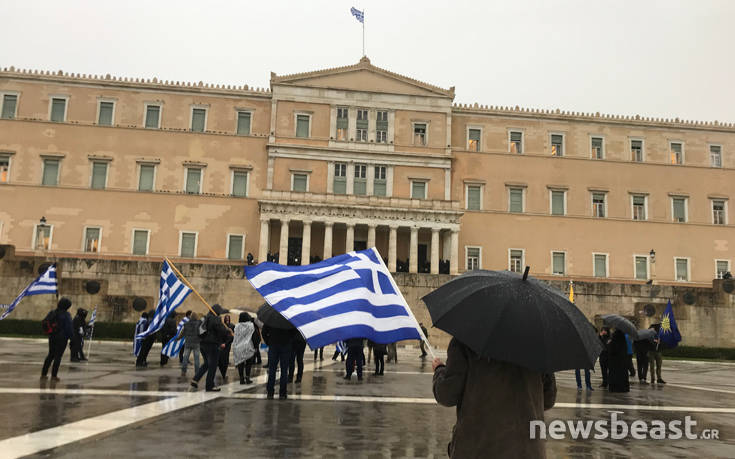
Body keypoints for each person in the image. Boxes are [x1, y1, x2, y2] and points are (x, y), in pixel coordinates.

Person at [432, 337, 557, 458]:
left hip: (478, 449)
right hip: (528, 450)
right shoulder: (538, 345)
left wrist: (439, 371)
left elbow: (447, 394)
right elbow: (548, 399)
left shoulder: (466, 340)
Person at [191, 304, 232, 392]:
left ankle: (195, 379)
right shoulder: (215, 319)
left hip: (203, 344)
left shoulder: (205, 318)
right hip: (212, 344)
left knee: (206, 363)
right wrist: (228, 332)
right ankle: (210, 386)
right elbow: (221, 331)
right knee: (213, 365)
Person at [41, 297, 74, 381]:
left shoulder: (52, 312)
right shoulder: (66, 315)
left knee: (50, 355)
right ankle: (54, 376)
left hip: (52, 336)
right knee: (58, 357)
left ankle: (43, 374)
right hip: (62, 339)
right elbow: (69, 328)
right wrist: (72, 338)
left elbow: (45, 321)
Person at [262, 323, 295, 399]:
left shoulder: (271, 319)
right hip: (286, 346)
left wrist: (268, 341)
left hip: (273, 345)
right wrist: (289, 340)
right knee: (284, 370)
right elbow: (294, 332)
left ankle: (270, 393)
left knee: (272, 370)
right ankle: (282, 393)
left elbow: (264, 332)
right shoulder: (288, 319)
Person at [233, 312, 257, 385]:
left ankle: (241, 379)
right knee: (248, 363)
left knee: (240, 363)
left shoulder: (236, 326)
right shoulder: (251, 325)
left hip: (238, 347)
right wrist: (255, 346)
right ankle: (247, 377)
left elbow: (235, 337)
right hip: (248, 346)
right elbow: (254, 336)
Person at [179, 311, 201, 376]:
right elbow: (201, 333)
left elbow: (182, 333)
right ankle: (197, 372)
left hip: (188, 342)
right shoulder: (199, 324)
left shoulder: (186, 324)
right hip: (196, 343)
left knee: (185, 358)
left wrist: (178, 338)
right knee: (196, 359)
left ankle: (183, 371)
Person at [218, 315, 235, 380]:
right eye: (226, 318)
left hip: (227, 344)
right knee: (220, 358)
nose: (227, 319)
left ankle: (224, 373)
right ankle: (222, 371)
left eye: (228, 318)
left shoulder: (232, 326)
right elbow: (219, 335)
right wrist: (221, 343)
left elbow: (232, 336)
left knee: (225, 359)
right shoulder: (221, 326)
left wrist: (226, 343)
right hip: (221, 344)